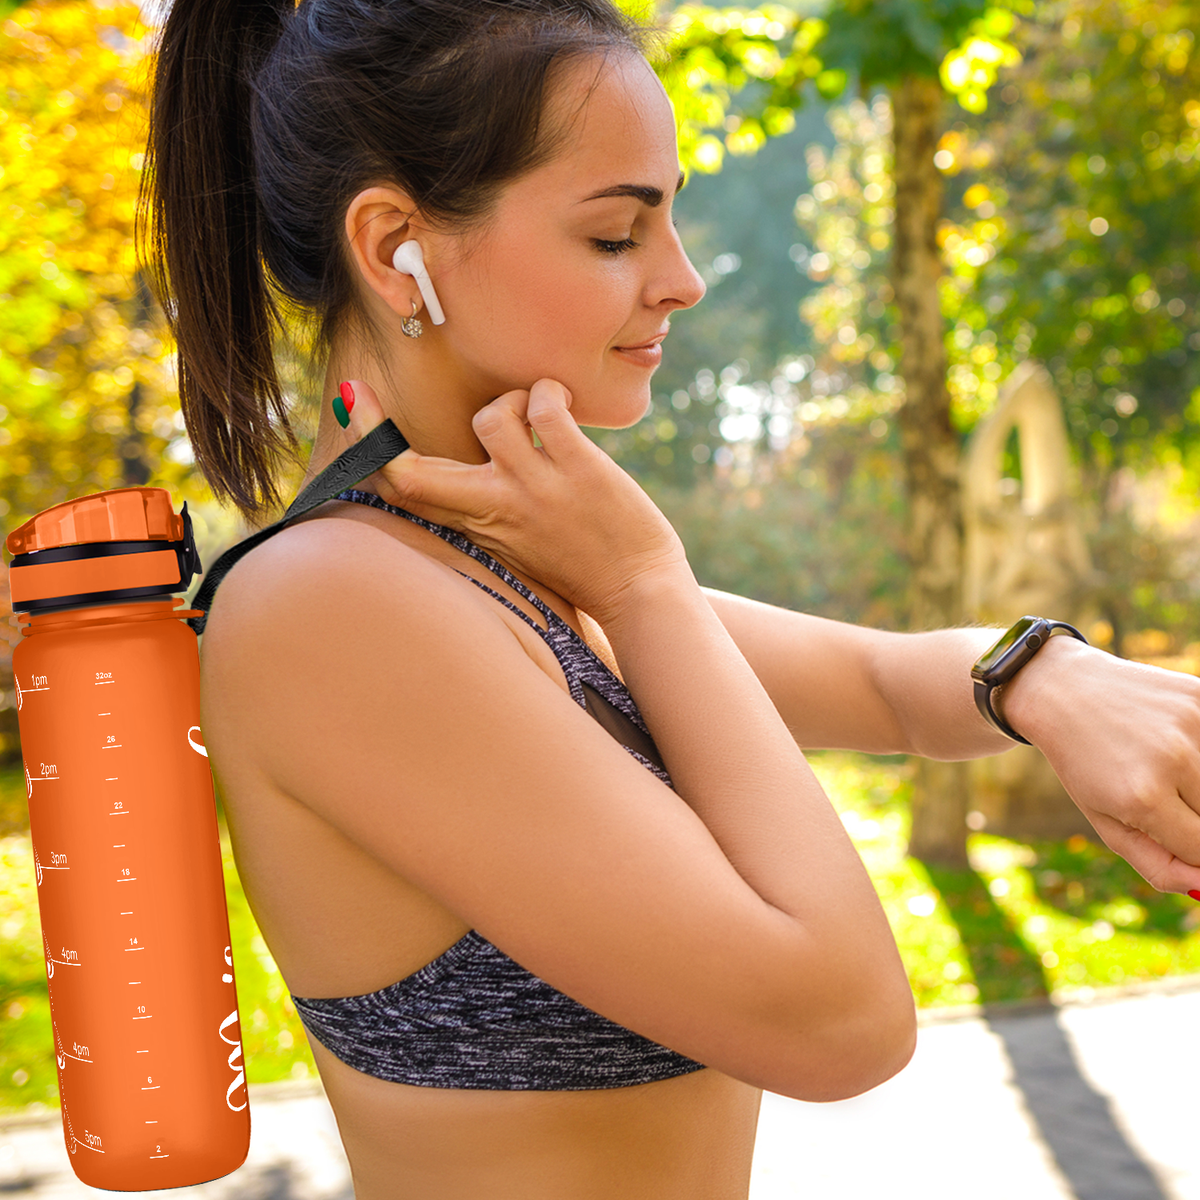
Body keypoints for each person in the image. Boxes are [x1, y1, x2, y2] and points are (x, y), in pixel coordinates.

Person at [137, 0, 1200, 1196]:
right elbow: (842, 1021)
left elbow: (884, 689)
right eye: (615, 235)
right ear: (396, 252)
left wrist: (1047, 673)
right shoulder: (330, 607)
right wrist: (644, 582)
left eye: (672, 221)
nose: (683, 281)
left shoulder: (506, 564)